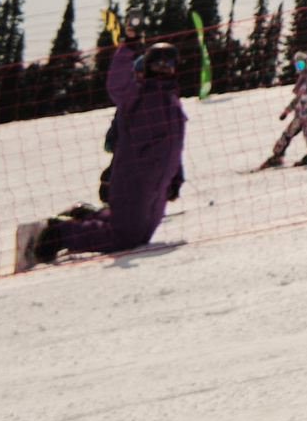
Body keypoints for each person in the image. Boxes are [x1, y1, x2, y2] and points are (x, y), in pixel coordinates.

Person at [27, 40, 187, 265]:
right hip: (134, 180)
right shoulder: (136, 96)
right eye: (158, 64)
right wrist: (129, 47)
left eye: (169, 64)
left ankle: (87, 217)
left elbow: (173, 145)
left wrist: (176, 177)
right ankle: (60, 234)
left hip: (159, 184)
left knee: (140, 237)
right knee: (124, 239)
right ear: (147, 66)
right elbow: (117, 84)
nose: (163, 68)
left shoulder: (173, 103)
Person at [259, 51, 307, 168]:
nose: (299, 68)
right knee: (288, 132)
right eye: (297, 65)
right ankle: (277, 155)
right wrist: (286, 111)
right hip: (300, 113)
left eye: (301, 64)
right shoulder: (302, 80)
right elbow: (297, 99)